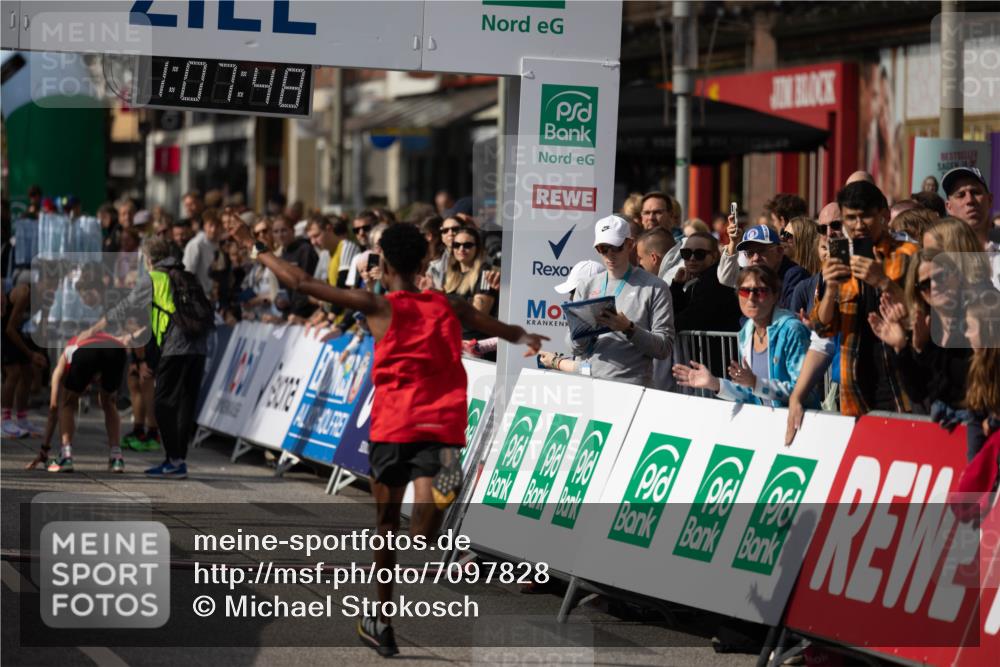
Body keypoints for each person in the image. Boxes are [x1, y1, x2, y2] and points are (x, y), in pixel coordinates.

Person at [225, 218, 546, 657]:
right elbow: (491, 323)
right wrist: (522, 335)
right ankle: (386, 603)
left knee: (401, 529)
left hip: (414, 427)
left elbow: (300, 281)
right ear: (424, 260)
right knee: (409, 528)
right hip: (420, 425)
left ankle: (386, 603)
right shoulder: (431, 303)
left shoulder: (386, 305)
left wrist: (258, 247)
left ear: (387, 262)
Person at [80, 236, 210, 479]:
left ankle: (174, 460)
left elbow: (124, 308)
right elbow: (169, 313)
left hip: (176, 348)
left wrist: (92, 330)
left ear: (147, 259)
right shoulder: (185, 275)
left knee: (162, 405)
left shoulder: (154, 278)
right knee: (184, 404)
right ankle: (178, 460)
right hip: (198, 347)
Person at [811, 180, 919, 417]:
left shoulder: (908, 255)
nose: (858, 225)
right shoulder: (837, 259)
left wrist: (883, 282)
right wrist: (830, 290)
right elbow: (822, 328)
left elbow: (924, 315)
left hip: (905, 390)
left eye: (866, 216)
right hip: (855, 397)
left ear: (883, 215)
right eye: (850, 218)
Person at [673, 266, 818, 408]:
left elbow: (804, 391)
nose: (751, 298)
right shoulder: (746, 332)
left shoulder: (792, 330)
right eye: (744, 291)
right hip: (764, 424)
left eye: (760, 291)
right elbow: (751, 394)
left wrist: (756, 383)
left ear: (775, 295)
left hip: (800, 424)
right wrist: (715, 383)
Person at [570, 215, 674, 388]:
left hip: (633, 387)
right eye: (603, 248)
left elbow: (664, 348)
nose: (609, 254)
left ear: (629, 244)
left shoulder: (656, 287)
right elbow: (574, 347)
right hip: (590, 384)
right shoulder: (586, 286)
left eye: (615, 247)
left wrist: (629, 329)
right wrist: (583, 331)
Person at [32, 317, 132, 473]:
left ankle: (66, 456)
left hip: (87, 353)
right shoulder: (103, 337)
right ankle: (116, 458)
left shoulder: (67, 352)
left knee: (67, 403)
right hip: (116, 350)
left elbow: (53, 408)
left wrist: (44, 450)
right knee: (108, 403)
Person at [718, 223, 810, 310]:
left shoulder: (795, 275)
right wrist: (733, 243)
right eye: (750, 253)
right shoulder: (752, 274)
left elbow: (789, 316)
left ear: (779, 252)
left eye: (762, 251)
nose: (755, 258)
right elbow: (727, 278)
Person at [2, 273, 47, 438]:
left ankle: (21, 419)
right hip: (6, 330)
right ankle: (4, 420)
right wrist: (30, 354)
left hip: (17, 332)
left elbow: (41, 329)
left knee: (28, 373)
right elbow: (9, 329)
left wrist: (39, 354)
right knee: (13, 373)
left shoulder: (44, 297)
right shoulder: (25, 293)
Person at [443, 227, 499, 357]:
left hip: (476, 346)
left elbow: (478, 315)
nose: (461, 249)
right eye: (456, 245)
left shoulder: (486, 272)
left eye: (467, 245)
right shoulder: (451, 275)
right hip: (454, 341)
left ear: (477, 248)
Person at [670, 232, 741, 333]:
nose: (692, 258)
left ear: (714, 256)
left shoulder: (717, 281)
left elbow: (691, 319)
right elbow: (678, 309)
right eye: (686, 253)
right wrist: (677, 285)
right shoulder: (698, 282)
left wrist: (663, 326)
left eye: (700, 254)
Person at [271, 214, 318, 319]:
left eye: (284, 230)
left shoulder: (305, 250)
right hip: (290, 315)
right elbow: (283, 290)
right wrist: (279, 302)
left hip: (308, 314)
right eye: (276, 232)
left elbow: (307, 284)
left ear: (293, 231)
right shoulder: (281, 255)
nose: (280, 235)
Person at [943, 166, 995, 252]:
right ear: (949, 207)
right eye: (961, 195)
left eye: (975, 192)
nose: (970, 200)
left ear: (990, 200)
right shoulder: (937, 258)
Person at [183, 207, 223, 296]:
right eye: (211, 225)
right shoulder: (196, 244)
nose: (213, 230)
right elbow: (188, 273)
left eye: (217, 226)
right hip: (198, 296)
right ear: (205, 225)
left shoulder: (218, 244)